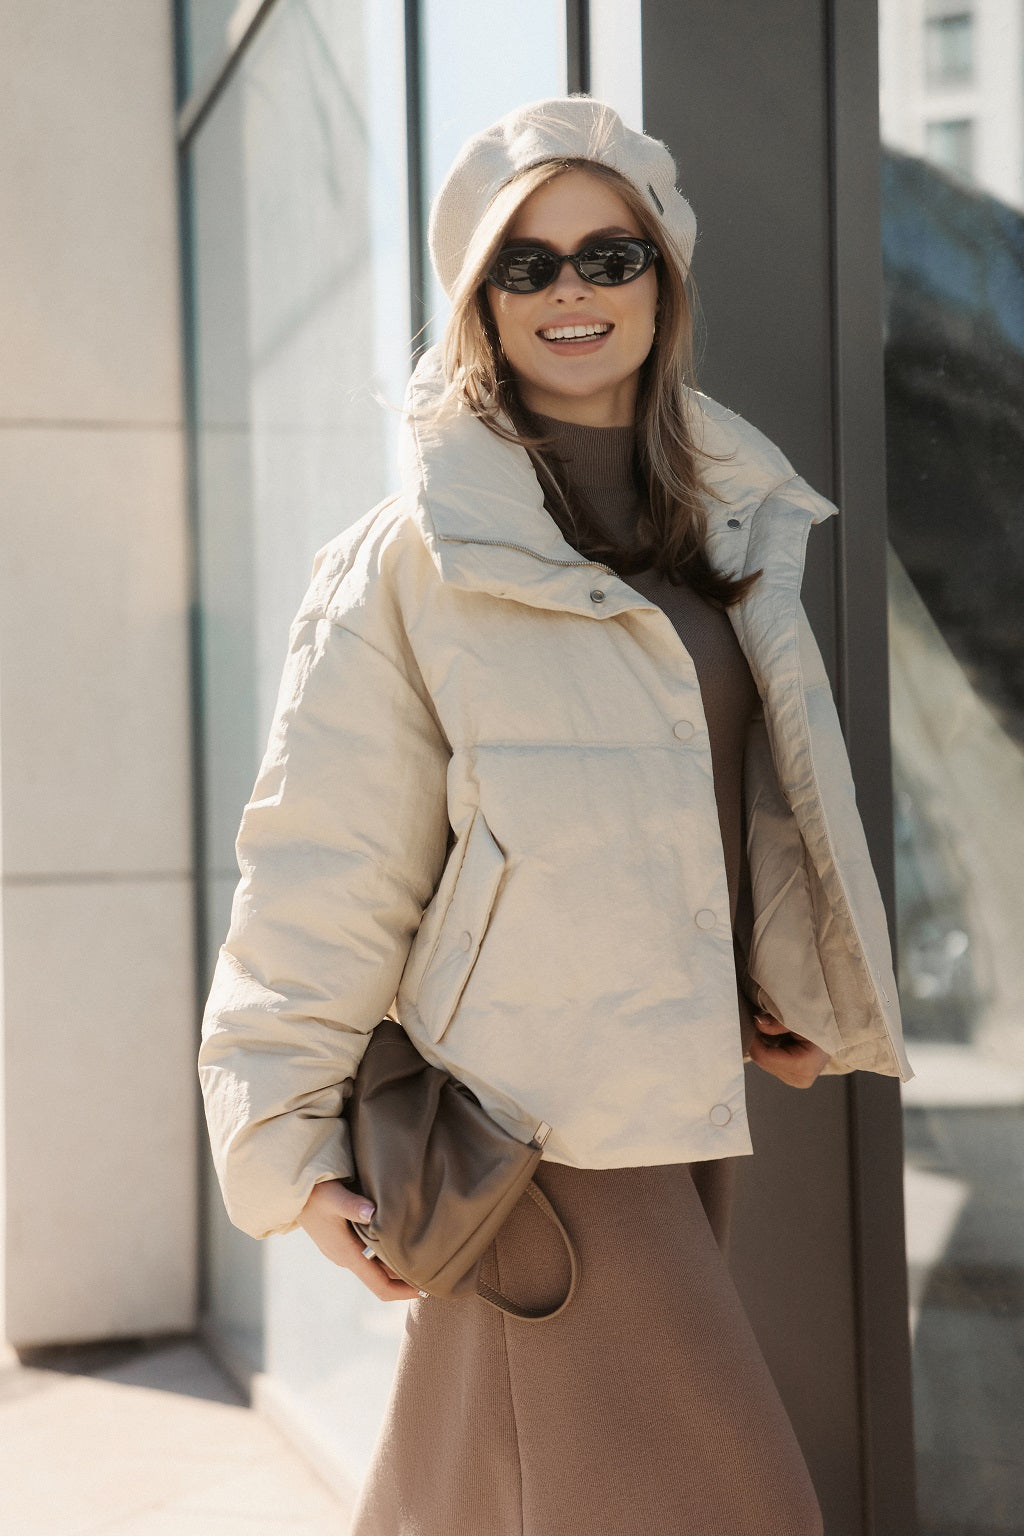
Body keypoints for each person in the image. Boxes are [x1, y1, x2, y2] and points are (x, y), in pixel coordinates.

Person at [199, 96, 911, 1536]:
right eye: (525, 266)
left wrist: (770, 968)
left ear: (664, 279)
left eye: (609, 256)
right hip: (537, 1133)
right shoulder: (408, 560)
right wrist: (279, 1136)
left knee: (494, 1495)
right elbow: (324, 861)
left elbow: (712, 795)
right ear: (478, 300)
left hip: (680, 1100)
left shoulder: (717, 524)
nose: (571, 292)